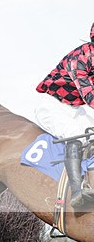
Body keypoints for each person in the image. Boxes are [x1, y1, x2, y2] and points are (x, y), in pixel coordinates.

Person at [35, 22, 94, 209]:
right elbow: (89, 94)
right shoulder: (80, 58)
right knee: (76, 135)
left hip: (76, 110)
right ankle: (77, 192)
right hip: (52, 106)